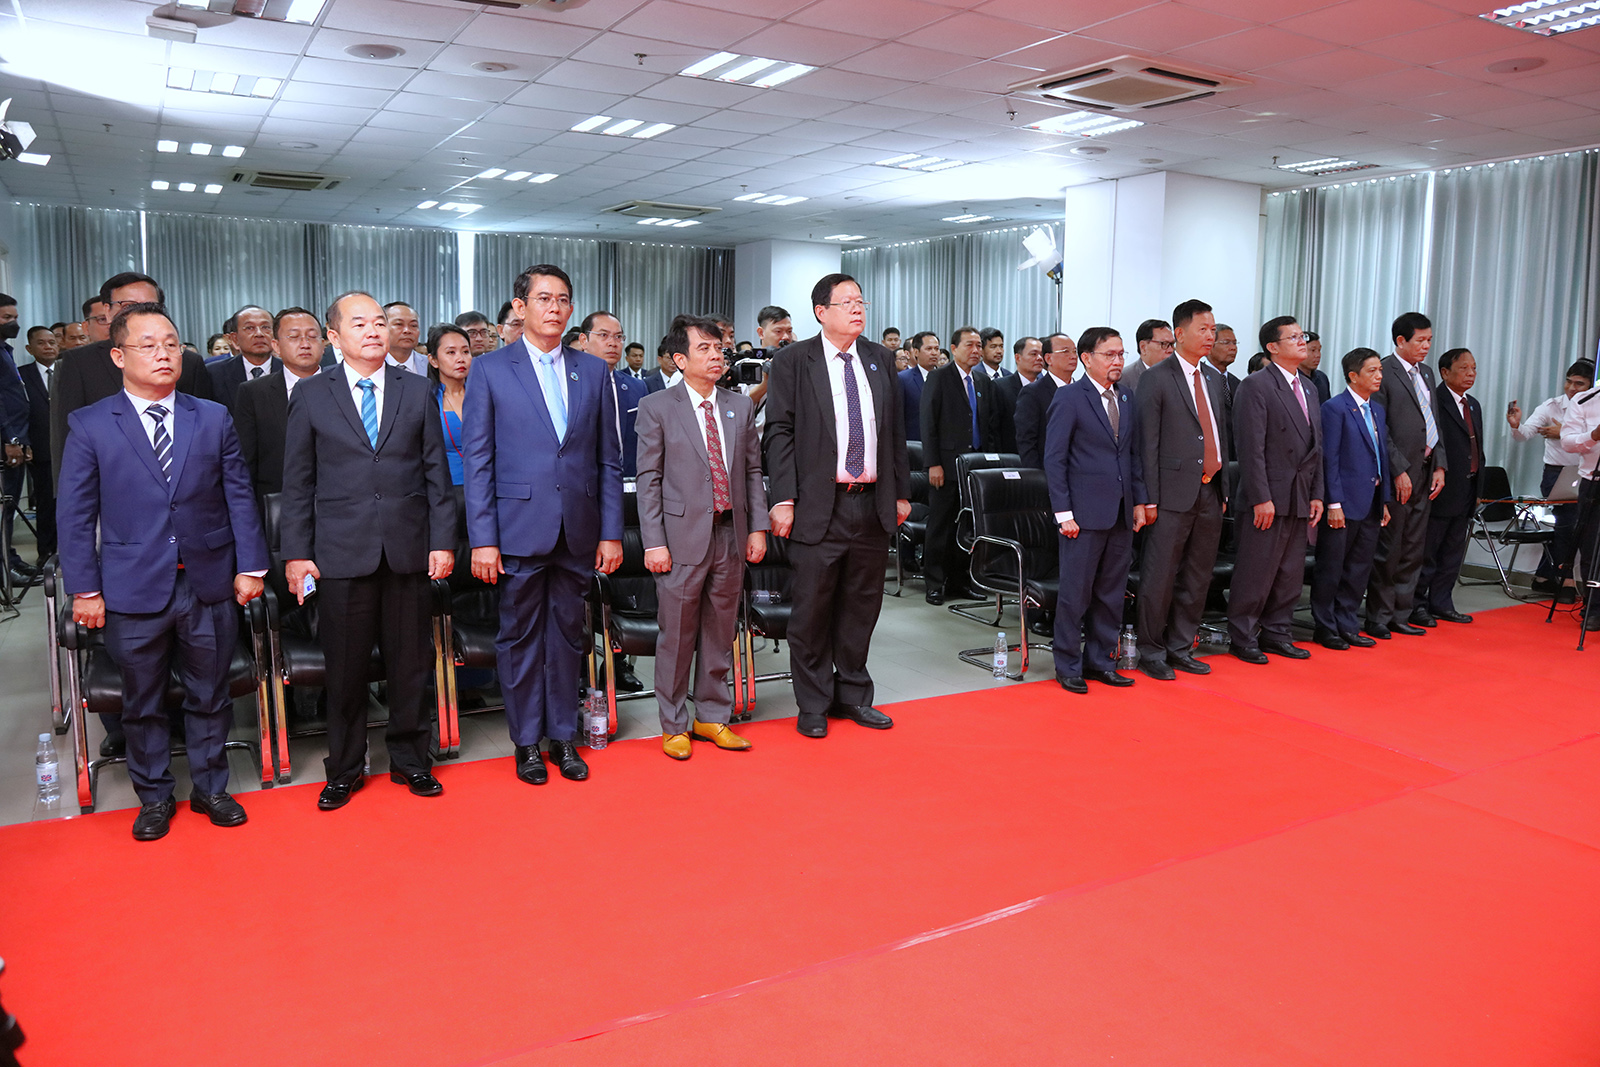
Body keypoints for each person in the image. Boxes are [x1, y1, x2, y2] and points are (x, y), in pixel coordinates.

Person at [57, 302, 269, 841]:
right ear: (118, 356)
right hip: (130, 585)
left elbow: (239, 496)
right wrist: (84, 589)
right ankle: (153, 796)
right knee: (142, 700)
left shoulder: (212, 416)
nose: (163, 354)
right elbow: (75, 516)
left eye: (171, 343)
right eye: (148, 345)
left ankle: (211, 787)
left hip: (208, 579)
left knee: (210, 693)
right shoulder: (91, 424)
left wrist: (251, 566)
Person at [280, 292, 457, 811]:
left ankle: (411, 759)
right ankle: (344, 767)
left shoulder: (417, 389)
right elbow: (298, 484)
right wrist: (296, 553)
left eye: (379, 322)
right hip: (340, 552)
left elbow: (436, 473)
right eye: (359, 324)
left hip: (408, 549)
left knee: (410, 665)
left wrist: (442, 541)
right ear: (334, 337)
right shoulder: (312, 394)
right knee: (346, 669)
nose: (374, 331)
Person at [463, 265, 623, 786]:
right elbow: (478, 461)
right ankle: (527, 741)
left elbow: (608, 460)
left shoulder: (592, 370)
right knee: (520, 639)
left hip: (578, 529)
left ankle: (563, 736)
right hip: (517, 529)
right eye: (543, 298)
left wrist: (611, 531)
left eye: (563, 299)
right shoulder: (490, 369)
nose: (554, 308)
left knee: (569, 637)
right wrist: (483, 539)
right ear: (520, 306)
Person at [763, 272, 909, 738]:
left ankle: (853, 695)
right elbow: (779, 432)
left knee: (861, 608)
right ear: (821, 312)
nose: (857, 308)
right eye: (847, 302)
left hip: (871, 504)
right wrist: (783, 498)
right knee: (812, 610)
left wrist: (900, 492)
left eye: (861, 301)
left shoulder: (879, 358)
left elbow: (894, 431)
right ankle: (812, 703)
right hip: (816, 504)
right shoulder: (792, 360)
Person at [636, 314, 768, 759]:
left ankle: (711, 715)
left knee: (720, 631)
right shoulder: (657, 406)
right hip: (679, 538)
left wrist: (757, 528)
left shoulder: (739, 406)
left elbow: (752, 472)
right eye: (704, 349)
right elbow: (648, 480)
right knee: (676, 635)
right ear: (680, 359)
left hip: (730, 533)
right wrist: (654, 541)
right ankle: (673, 724)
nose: (716, 356)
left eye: (719, 348)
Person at [1045, 326, 1151, 694]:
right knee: (1076, 594)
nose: (1117, 361)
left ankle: (1102, 661)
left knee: (1111, 593)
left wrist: (1139, 501)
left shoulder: (1126, 397)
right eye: (1110, 354)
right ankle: (1068, 665)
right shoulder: (1070, 398)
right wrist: (1064, 513)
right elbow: (1055, 459)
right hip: (1082, 515)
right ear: (1087, 358)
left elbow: (1132, 456)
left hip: (1120, 511)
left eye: (1121, 354)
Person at [1133, 300, 1229, 679]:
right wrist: (1149, 498)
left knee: (1198, 575)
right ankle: (1151, 650)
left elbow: (1220, 437)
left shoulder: (1214, 379)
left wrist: (1223, 489)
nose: (1210, 336)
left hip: (1210, 491)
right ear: (1180, 333)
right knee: (1159, 576)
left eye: (1213, 329)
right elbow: (1147, 444)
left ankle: (1180, 646)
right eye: (1203, 329)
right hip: (1170, 494)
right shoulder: (1157, 377)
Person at [51, 272, 215, 482]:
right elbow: (65, 437)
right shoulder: (79, 362)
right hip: (108, 485)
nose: (140, 313)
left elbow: (206, 435)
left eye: (150, 306)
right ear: (108, 311)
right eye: (128, 306)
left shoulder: (188, 362)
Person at [1228, 316, 1324, 663]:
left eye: (1303, 335)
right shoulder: (1256, 385)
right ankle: (1243, 636)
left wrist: (1317, 493)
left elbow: (1317, 448)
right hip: (1267, 495)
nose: (1302, 341)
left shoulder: (1309, 387)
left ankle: (1277, 632)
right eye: (1293, 337)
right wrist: (1261, 497)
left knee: (1289, 572)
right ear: (1272, 347)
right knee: (1257, 570)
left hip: (1300, 492)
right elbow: (1250, 448)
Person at [1366, 312, 1446, 640]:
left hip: (1425, 471)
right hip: (1398, 474)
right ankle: (1379, 616)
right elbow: (1379, 428)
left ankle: (1402, 612)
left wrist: (1439, 464)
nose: (1426, 346)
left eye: (1429, 340)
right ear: (1401, 340)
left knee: (1414, 547)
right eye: (1420, 340)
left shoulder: (1426, 372)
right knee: (1390, 548)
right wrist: (1397, 469)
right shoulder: (1384, 372)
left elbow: (1433, 422)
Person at [1311, 348, 1390, 650]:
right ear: (1353, 376)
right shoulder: (1335, 408)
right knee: (1332, 567)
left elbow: (1381, 457)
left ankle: (1347, 623)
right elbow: (1329, 459)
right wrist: (1333, 503)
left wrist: (1384, 500)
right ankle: (1325, 626)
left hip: (1371, 499)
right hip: (1343, 502)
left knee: (1359, 568)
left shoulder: (1377, 409)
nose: (1379, 375)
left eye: (1380, 370)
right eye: (1372, 371)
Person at [920, 325, 999, 605]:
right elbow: (928, 423)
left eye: (979, 345)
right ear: (954, 349)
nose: (976, 350)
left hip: (975, 468)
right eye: (969, 345)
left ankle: (960, 580)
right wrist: (933, 463)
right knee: (940, 526)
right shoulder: (939, 377)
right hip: (946, 465)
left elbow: (988, 425)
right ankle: (934, 583)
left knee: (967, 528)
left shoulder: (983, 381)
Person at [1508, 360, 1595, 599]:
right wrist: (1516, 425)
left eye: (1579, 384)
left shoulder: (1594, 407)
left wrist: (1563, 432)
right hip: (1556, 474)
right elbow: (1524, 435)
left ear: (1590, 386)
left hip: (1586, 473)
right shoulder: (1552, 406)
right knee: (1568, 524)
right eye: (1569, 381)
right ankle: (1566, 581)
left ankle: (1543, 576)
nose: (1572, 388)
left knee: (1576, 527)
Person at [1415, 347, 1482, 625]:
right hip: (1442, 487)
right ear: (1444, 372)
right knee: (1429, 551)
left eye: (1473, 368)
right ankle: (1417, 604)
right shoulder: (1435, 401)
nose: (1470, 373)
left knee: (1453, 553)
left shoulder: (1473, 404)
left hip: (1467, 487)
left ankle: (1442, 602)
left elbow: (1475, 447)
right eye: (1464, 368)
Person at [233, 307, 324, 499]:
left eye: (312, 336)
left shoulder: (345, 386)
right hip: (277, 502)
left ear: (323, 343)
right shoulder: (254, 393)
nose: (305, 344)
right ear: (276, 346)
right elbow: (246, 463)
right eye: (294, 337)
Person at [1559, 376, 1600, 629]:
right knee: (1592, 547)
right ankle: (1594, 607)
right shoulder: (1586, 400)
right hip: (1594, 481)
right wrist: (1593, 435)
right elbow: (1567, 441)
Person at [0, 297, 35, 585]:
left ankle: (8, 557)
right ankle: (3, 569)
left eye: (15, 317)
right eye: (6, 318)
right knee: (4, 508)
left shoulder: (5, 350)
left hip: (16, 438)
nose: (14, 323)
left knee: (10, 506)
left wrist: (23, 439)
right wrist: (10, 438)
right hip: (5, 442)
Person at [18, 327, 59, 563]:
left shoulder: (68, 371)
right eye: (42, 343)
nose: (48, 347)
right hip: (40, 448)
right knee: (46, 503)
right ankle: (46, 553)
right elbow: (19, 413)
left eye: (52, 342)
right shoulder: (21, 375)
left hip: (71, 446)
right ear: (29, 348)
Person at [1015, 333, 1078, 470]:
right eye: (1065, 351)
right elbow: (1027, 441)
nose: (1073, 356)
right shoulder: (1033, 393)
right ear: (1048, 358)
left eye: (1075, 351)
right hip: (1048, 472)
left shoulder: (1082, 391)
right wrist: (1037, 475)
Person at [208, 305, 281, 411]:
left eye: (265, 327)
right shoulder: (214, 374)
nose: (259, 334)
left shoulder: (290, 370)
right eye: (250, 328)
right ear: (235, 339)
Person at [428, 323, 474, 486]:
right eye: (451, 352)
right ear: (433, 360)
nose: (461, 359)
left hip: (485, 485)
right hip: (444, 487)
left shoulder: (483, 395)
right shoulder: (427, 399)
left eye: (466, 352)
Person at [992, 335, 1042, 453]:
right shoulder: (1000, 386)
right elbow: (994, 429)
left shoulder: (1046, 388)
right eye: (1033, 354)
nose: (1039, 358)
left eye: (1041, 354)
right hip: (1010, 455)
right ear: (1018, 358)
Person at [898, 330, 939, 445]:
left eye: (936, 349)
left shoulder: (948, 378)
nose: (934, 353)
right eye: (929, 349)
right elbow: (898, 417)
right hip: (915, 444)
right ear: (916, 352)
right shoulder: (903, 379)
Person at [1120, 317, 1172, 395]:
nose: (1171, 350)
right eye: (1164, 344)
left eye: (1172, 344)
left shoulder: (1178, 375)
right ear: (1143, 347)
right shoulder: (1124, 379)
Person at [383, 301, 426, 376]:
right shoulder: (370, 364)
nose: (407, 330)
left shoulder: (431, 365)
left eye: (413, 325)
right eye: (399, 324)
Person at [1302, 331, 1332, 406]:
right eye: (1313, 350)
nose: (1318, 355)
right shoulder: (1292, 379)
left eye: (1319, 350)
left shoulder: (1322, 377)